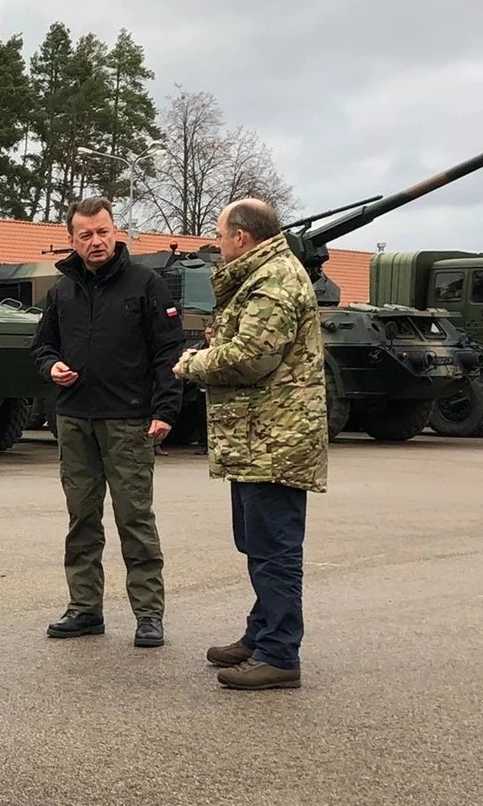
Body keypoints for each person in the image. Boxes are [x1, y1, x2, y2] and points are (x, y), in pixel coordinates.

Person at [173, 198, 328, 690]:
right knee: (257, 542)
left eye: (220, 235)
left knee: (275, 548)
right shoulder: (262, 275)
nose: (217, 245)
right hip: (257, 436)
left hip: (274, 438)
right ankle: (261, 635)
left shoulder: (273, 280)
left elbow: (251, 356)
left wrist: (191, 364)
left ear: (241, 237)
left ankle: (280, 653)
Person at [31, 196, 185, 648]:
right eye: (86, 235)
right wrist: (51, 367)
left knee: (134, 518)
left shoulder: (147, 284)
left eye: (103, 232)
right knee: (81, 518)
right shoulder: (61, 292)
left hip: (130, 421)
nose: (96, 242)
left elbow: (167, 354)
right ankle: (84, 608)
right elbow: (42, 347)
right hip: (75, 419)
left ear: (116, 231)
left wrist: (165, 411)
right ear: (72, 240)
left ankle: (149, 614)